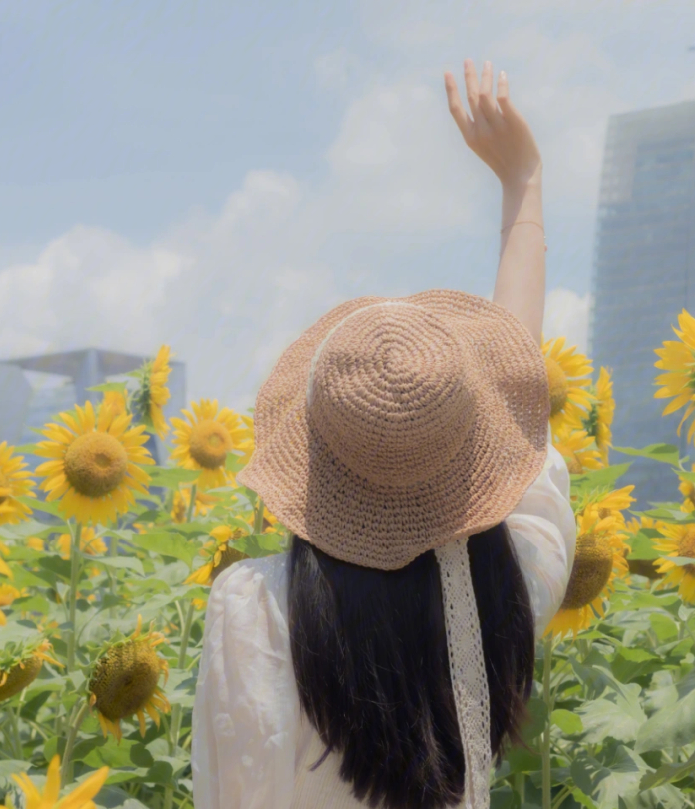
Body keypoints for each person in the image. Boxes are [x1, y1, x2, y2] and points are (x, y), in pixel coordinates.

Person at [190, 58, 576, 809]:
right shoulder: (510, 588)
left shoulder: (253, 610)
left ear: (314, 457)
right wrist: (522, 186)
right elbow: (523, 394)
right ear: (473, 452)